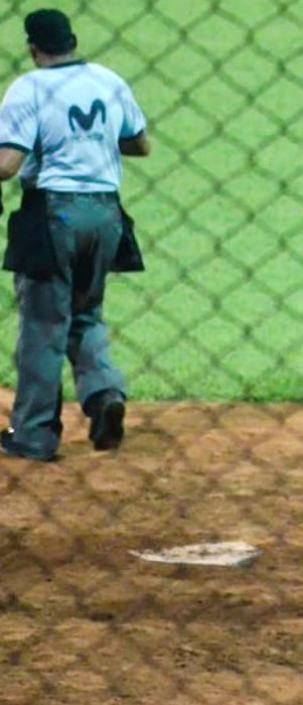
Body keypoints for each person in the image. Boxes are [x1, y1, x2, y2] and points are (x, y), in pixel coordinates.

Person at [0, 9, 150, 461]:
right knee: (85, 313)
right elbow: (140, 143)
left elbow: (7, 163)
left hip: (53, 214)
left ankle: (32, 435)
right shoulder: (107, 79)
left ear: (33, 47)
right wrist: (92, 143)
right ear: (73, 40)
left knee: (44, 324)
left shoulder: (29, 87)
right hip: (106, 214)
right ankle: (104, 396)